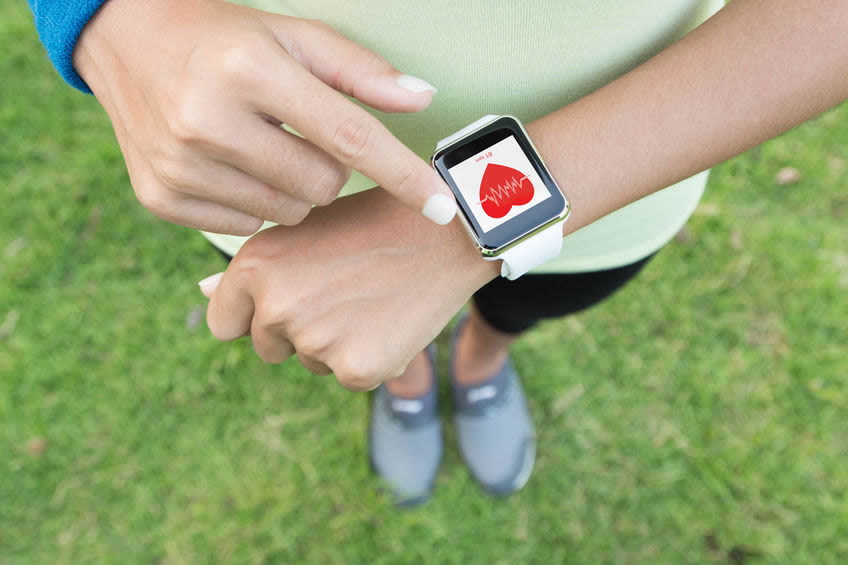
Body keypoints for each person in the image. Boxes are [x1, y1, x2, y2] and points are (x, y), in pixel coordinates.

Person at [28, 0, 848, 505]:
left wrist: (458, 226)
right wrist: (104, 17)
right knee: (369, 337)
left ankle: (483, 362)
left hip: (620, 174)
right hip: (269, 166)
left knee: (532, 301)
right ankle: (410, 378)